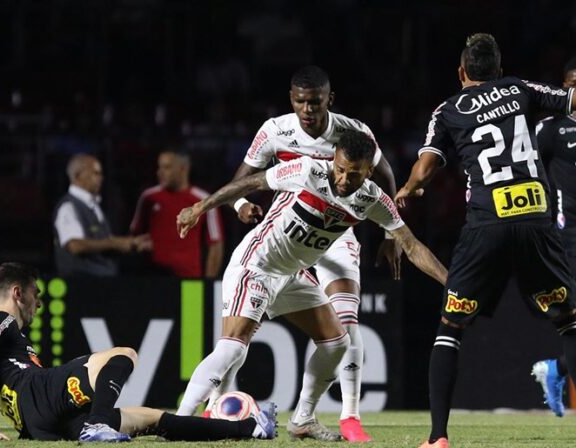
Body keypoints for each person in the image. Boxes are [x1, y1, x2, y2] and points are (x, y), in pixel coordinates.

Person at [176, 129, 447, 442]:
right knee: (234, 346)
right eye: (340, 169)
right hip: (257, 265)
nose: (344, 179)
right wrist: (199, 208)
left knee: (337, 342)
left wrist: (451, 283)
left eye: (354, 174)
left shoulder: (371, 199)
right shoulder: (307, 171)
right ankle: (182, 420)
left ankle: (303, 418)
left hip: (292, 275)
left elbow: (412, 246)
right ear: (334, 160)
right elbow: (253, 182)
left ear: (368, 172)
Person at [394, 34, 576, 448]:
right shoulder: (519, 88)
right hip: (536, 219)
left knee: (450, 327)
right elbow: (570, 100)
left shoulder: (449, 109)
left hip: (487, 224)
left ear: (462, 73)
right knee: (569, 321)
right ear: (498, 68)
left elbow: (424, 169)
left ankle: (438, 438)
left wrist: (408, 188)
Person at [220, 65, 402, 441]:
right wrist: (240, 207)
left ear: (329, 99)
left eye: (316, 102)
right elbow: (239, 182)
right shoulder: (275, 131)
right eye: (301, 102)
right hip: (286, 234)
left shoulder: (353, 133)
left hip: (336, 235)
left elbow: (384, 174)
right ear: (291, 99)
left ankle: (350, 417)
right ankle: (216, 402)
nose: (308, 110)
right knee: (243, 326)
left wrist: (390, 232)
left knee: (346, 322)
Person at [0, 262, 277, 443]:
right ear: (17, 293)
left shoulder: (0, 349)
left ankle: (250, 429)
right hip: (38, 394)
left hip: (40, 426)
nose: (39, 303)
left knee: (152, 419)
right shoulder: (0, 321)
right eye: (35, 294)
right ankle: (98, 424)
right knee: (123, 354)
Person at [530, 56, 576, 417]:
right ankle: (557, 369)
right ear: (564, 86)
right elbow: (530, 173)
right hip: (568, 236)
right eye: (573, 83)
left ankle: (556, 369)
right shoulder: (550, 128)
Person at [130, 150, 224, 278]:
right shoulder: (149, 197)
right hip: (153, 280)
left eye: (167, 167)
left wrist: (207, 284)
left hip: (192, 282)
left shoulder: (204, 201)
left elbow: (216, 244)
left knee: (193, 299)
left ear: (183, 168)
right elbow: (134, 236)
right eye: (159, 167)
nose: (160, 172)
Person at [53, 154, 151, 277]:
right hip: (81, 285)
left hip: (102, 284)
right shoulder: (68, 207)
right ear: (77, 176)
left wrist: (128, 244)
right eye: (96, 173)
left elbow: (103, 244)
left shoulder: (93, 205)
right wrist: (114, 243)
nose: (101, 178)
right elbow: (75, 245)